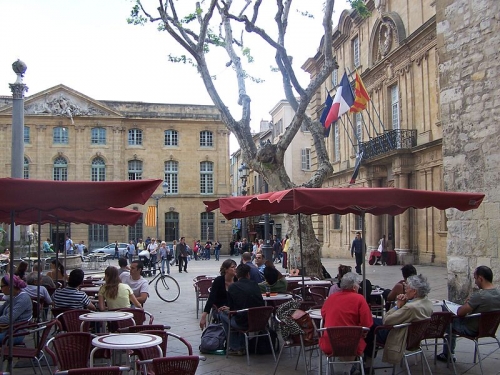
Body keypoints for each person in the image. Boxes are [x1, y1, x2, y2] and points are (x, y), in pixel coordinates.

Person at [364, 274, 433, 368]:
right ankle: (368, 359)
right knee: (371, 321)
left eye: (407, 288)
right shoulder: (427, 302)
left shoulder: (410, 307)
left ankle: (368, 361)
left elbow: (386, 321)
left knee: (369, 324)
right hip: (413, 337)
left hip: (398, 335)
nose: (405, 290)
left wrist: (398, 305)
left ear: (414, 291)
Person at [438, 265, 500, 362]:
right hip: (489, 329)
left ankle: (448, 354)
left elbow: (460, 313)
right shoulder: (498, 293)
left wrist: (467, 303)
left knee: (446, 319)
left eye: (475, 278)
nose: (475, 282)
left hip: (471, 329)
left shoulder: (480, 295)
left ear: (481, 278)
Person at [320, 272, 373, 372]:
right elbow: (367, 323)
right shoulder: (359, 299)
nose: (359, 287)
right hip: (352, 345)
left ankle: (347, 369)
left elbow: (323, 314)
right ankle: (352, 368)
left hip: (331, 344)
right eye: (358, 284)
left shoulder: (331, 298)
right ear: (353, 287)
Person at [219, 263, 265, 356]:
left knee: (223, 314)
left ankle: (235, 346)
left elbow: (232, 309)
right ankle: (241, 345)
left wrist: (228, 309)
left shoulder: (233, 287)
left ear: (237, 274)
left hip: (244, 323)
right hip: (260, 321)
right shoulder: (255, 284)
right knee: (242, 313)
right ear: (248, 274)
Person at [199, 259, 238, 329]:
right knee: (227, 317)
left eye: (236, 267)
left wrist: (230, 308)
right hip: (219, 309)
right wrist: (204, 316)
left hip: (234, 309)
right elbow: (211, 298)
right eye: (233, 267)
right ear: (226, 270)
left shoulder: (237, 280)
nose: (235, 269)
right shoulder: (218, 281)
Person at [0, 275, 33, 344]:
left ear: (9, 287)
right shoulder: (13, 297)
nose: (1, 289)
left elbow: (8, 318)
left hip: (14, 334)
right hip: (7, 330)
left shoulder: (23, 299)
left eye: (2, 286)